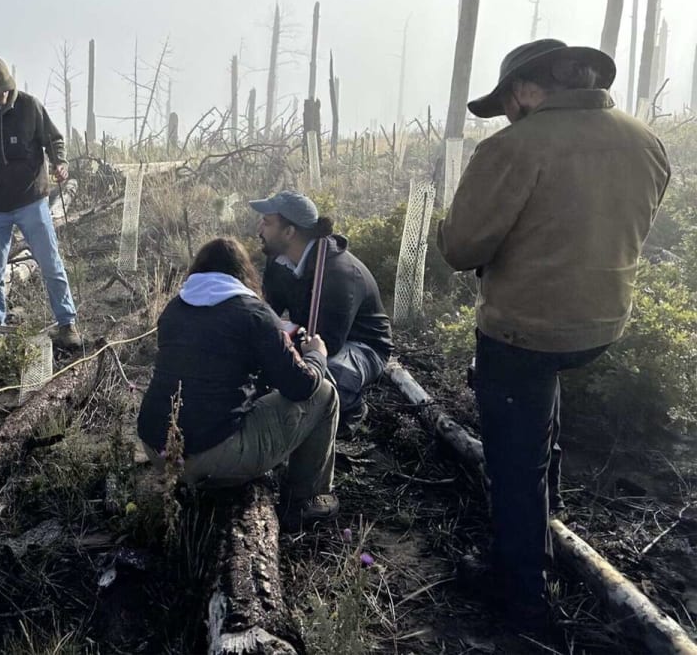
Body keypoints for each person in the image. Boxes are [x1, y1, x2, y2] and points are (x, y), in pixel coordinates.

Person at [437, 39, 670, 631]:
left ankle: (521, 593)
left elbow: (463, 248)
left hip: (525, 329)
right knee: (539, 411)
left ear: (523, 90)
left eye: (507, 99)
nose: (510, 111)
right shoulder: (645, 140)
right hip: (601, 325)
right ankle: (549, 517)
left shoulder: (514, 147)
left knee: (515, 462)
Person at [137, 237, 340, 530]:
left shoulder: (174, 309)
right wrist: (316, 356)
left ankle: (191, 482)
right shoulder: (253, 312)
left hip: (157, 449)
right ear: (244, 273)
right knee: (325, 394)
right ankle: (305, 500)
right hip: (212, 456)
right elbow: (300, 387)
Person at [0, 55, 81, 348]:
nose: (5, 93)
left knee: (50, 264)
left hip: (31, 201)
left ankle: (67, 324)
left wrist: (59, 162)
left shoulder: (29, 106)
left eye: (7, 86)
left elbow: (54, 139)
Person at [253, 192, 393, 436]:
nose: (259, 228)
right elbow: (267, 314)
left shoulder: (339, 274)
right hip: (311, 334)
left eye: (267, 222)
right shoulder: (277, 261)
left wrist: (286, 355)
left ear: (289, 232)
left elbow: (330, 343)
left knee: (327, 379)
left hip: (361, 345)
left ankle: (351, 408)